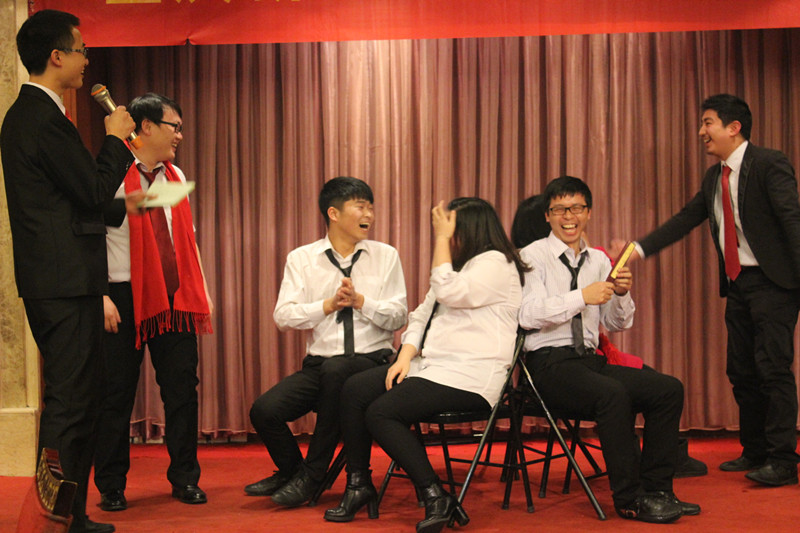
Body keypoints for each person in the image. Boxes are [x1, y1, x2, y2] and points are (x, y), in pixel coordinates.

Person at [0, 9, 136, 533]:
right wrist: (116, 138)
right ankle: (51, 520)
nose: (86, 60)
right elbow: (93, 191)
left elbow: (79, 201)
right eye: (81, 50)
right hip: (62, 282)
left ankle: (70, 515)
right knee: (69, 403)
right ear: (56, 56)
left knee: (82, 399)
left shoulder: (41, 114)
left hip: (66, 279)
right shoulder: (39, 117)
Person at [323, 197, 527, 533]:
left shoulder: (496, 264)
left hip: (470, 375)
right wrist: (404, 356)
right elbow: (421, 314)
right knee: (356, 389)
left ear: (469, 229)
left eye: (450, 228)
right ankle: (358, 484)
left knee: (381, 413)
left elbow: (447, 292)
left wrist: (441, 240)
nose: (445, 236)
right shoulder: (456, 267)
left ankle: (436, 495)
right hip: (432, 367)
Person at [632, 94, 800, 486]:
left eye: (708, 123)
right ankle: (755, 450)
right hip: (739, 284)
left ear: (733, 127)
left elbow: (792, 222)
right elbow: (685, 219)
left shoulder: (769, 164)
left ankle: (783, 460)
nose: (701, 131)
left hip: (774, 283)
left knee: (772, 369)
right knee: (741, 369)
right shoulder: (715, 177)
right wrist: (637, 249)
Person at [518, 176, 699, 524]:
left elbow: (617, 323)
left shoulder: (599, 260)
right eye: (560, 209)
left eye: (576, 208)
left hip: (589, 361)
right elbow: (527, 315)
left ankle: (658, 491)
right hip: (549, 365)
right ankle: (629, 499)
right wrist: (580, 297)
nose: (569, 216)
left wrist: (621, 294)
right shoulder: (531, 256)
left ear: (588, 213)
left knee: (667, 389)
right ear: (547, 215)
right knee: (612, 393)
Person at [246, 177, 408, 507]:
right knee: (264, 411)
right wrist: (328, 305)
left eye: (371, 207)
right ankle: (293, 471)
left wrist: (362, 302)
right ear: (333, 213)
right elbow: (283, 317)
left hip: (371, 363)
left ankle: (313, 475)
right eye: (360, 207)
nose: (369, 215)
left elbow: (399, 317)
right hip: (320, 364)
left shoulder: (386, 256)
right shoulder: (302, 259)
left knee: (338, 372)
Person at [92, 93, 213, 511]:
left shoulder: (176, 176)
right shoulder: (110, 173)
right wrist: (101, 296)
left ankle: (185, 478)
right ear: (145, 127)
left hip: (174, 295)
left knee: (182, 389)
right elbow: (90, 241)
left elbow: (185, 239)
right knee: (115, 394)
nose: (179, 135)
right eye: (173, 126)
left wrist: (201, 290)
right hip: (121, 295)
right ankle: (111, 485)